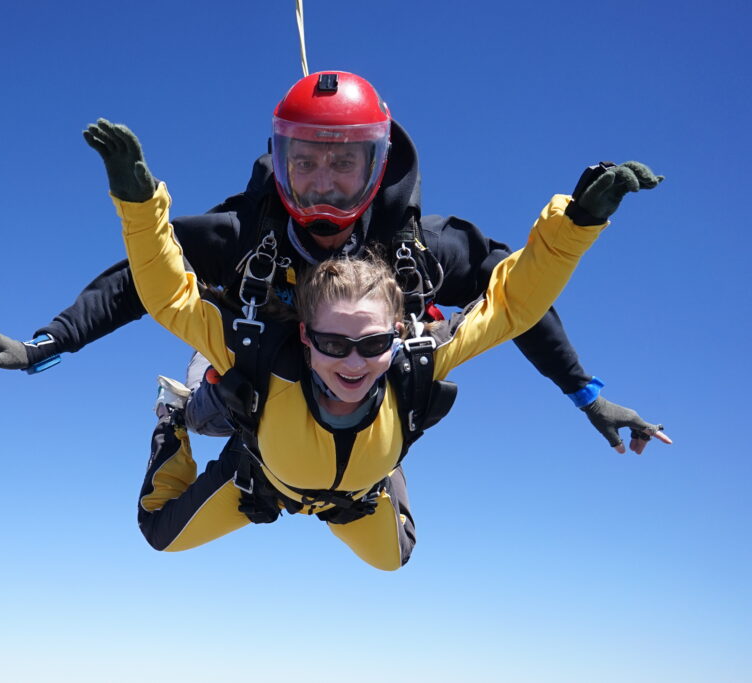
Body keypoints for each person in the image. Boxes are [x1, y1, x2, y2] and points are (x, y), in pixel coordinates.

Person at [0, 71, 664, 454]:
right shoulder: (241, 234)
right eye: (307, 164)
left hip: (358, 395)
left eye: (345, 166)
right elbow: (139, 282)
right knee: (217, 412)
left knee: (384, 445)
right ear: (279, 162)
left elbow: (519, 297)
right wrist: (44, 344)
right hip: (250, 381)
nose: (324, 186)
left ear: (377, 168)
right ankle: (181, 408)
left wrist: (587, 395)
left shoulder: (420, 248)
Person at [66, 118, 666, 570]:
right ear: (303, 336)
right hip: (262, 475)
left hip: (354, 495)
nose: (353, 360)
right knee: (161, 529)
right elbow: (163, 291)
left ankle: (380, 470)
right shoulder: (261, 343)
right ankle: (179, 412)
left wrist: (577, 228)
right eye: (333, 342)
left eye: (372, 342)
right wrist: (139, 209)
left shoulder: (418, 341)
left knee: (396, 557)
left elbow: (513, 300)